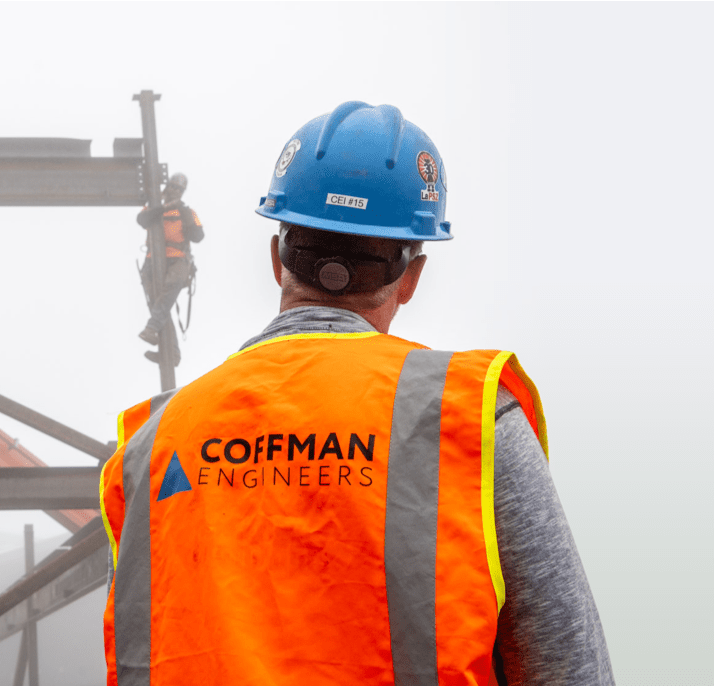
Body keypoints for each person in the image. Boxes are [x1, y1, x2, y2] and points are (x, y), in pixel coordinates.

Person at [99, 102, 612, 685]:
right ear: (412, 276)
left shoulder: (151, 446)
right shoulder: (466, 417)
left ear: (277, 260)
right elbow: (568, 665)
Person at [136, 173, 204, 360]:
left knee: (164, 299)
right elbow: (142, 220)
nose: (175, 191)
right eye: (173, 186)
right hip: (152, 261)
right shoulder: (153, 207)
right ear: (166, 187)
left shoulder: (187, 212)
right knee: (159, 304)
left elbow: (198, 236)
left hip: (178, 260)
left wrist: (182, 213)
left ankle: (152, 329)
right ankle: (171, 351)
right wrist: (164, 207)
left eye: (179, 189)